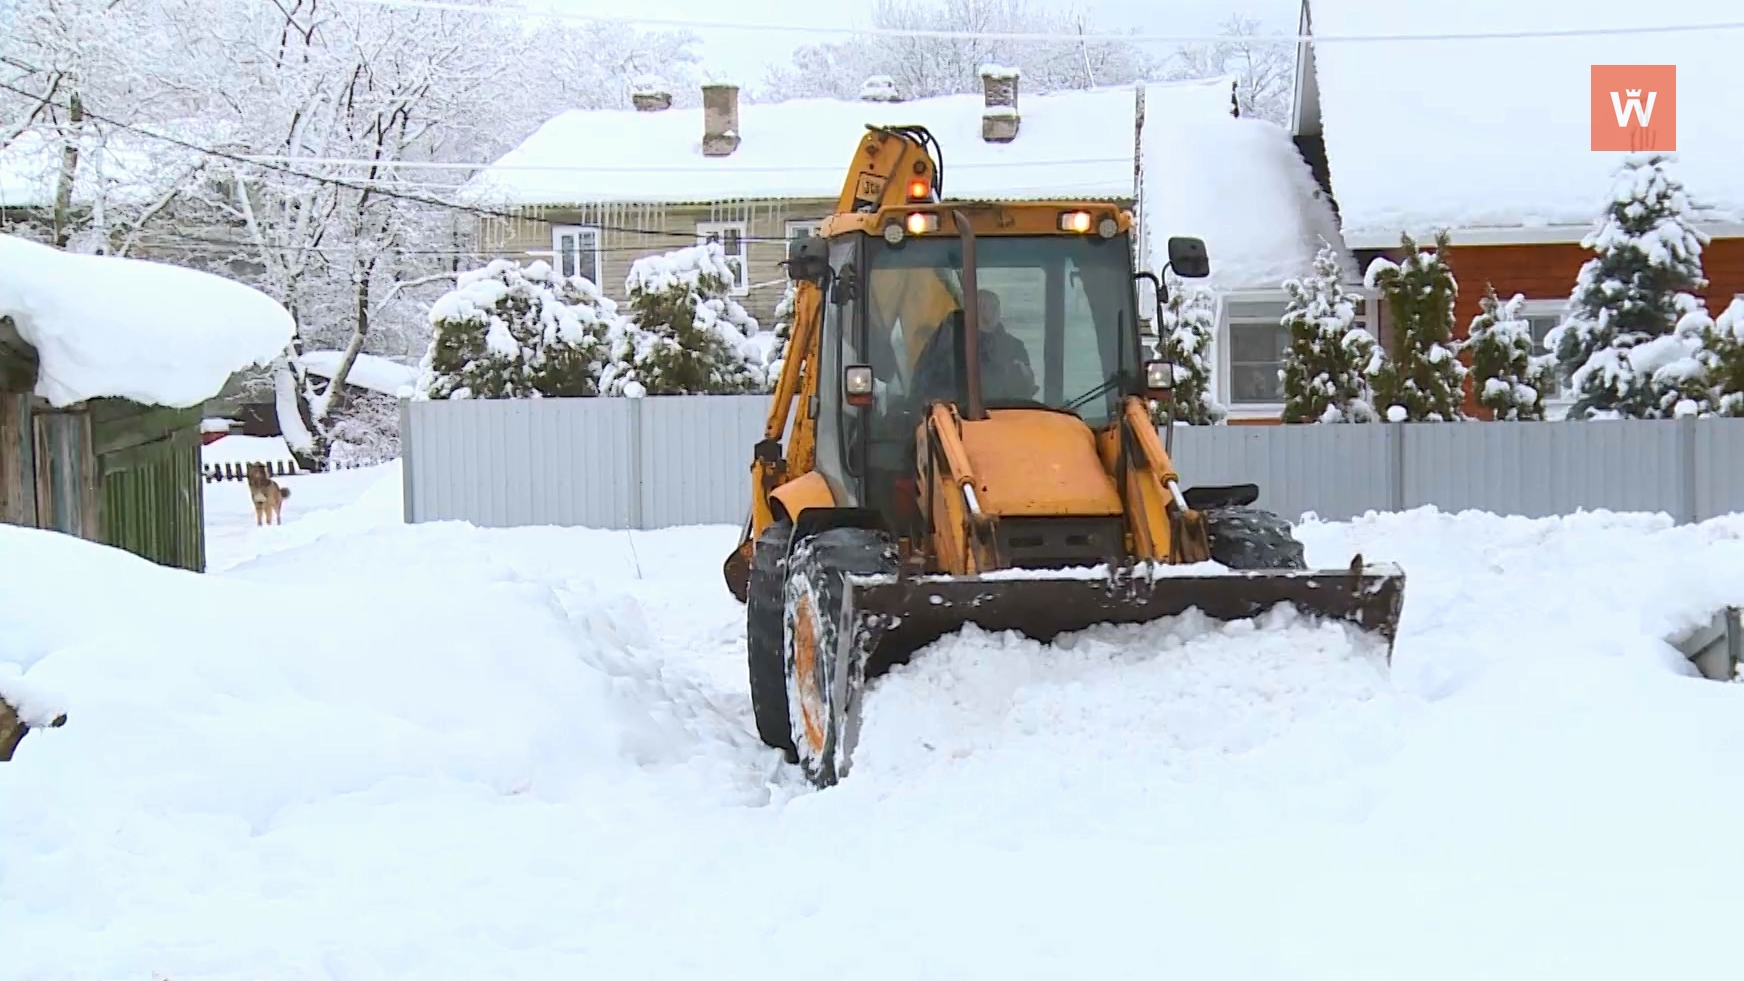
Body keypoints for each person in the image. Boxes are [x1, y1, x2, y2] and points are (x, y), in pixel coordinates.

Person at [910, 288, 1038, 406]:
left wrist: (1022, 378)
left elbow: (1025, 390)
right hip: (957, 416)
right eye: (983, 307)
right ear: (971, 311)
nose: (990, 312)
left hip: (1006, 415)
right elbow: (926, 383)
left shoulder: (1014, 347)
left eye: (994, 307)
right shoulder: (949, 343)